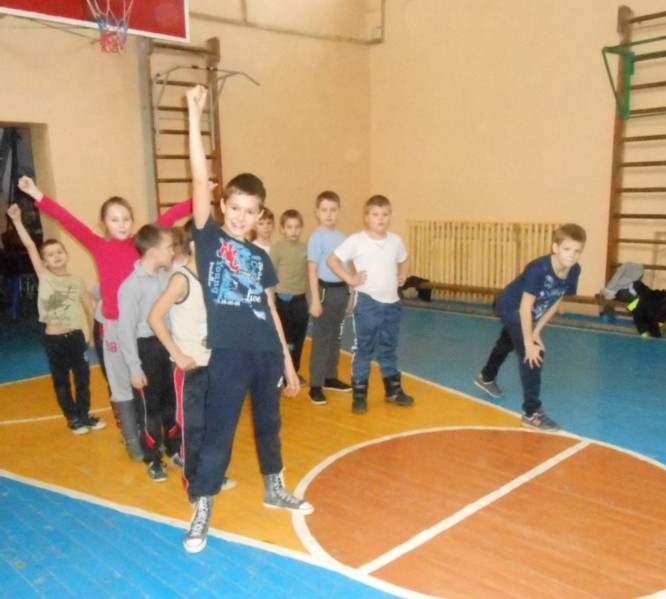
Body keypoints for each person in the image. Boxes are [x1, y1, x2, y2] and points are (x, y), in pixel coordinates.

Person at [184, 84, 313, 554]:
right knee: (219, 432)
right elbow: (199, 178)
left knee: (269, 425)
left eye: (250, 211)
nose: (241, 217)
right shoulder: (209, 240)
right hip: (230, 354)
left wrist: (288, 363)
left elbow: (271, 310)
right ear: (223, 207)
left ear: (261, 215)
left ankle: (275, 488)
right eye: (234, 208)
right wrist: (195, 117)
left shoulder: (260, 257)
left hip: (266, 353)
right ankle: (202, 507)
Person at [17, 176, 191, 461]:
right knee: (121, 385)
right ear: (104, 224)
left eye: (126, 219)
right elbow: (67, 220)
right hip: (112, 328)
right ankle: (132, 437)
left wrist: (200, 198)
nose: (121, 224)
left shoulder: (141, 244)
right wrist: (36, 193)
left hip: (142, 330)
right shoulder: (98, 245)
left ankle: (156, 436)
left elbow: (170, 217)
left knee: (149, 384)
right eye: (114, 219)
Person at [147, 219, 237, 498]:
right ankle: (195, 484)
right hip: (191, 370)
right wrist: (178, 354)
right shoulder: (181, 279)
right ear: (195, 245)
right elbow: (155, 317)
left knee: (214, 426)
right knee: (194, 428)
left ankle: (212, 475)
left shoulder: (218, 279)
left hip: (216, 365)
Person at [474, 223, 587, 432]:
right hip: (511, 306)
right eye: (567, 249)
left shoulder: (574, 271)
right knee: (533, 355)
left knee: (507, 342)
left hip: (531, 312)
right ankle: (531, 412)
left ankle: (486, 377)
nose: (572, 255)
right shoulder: (539, 269)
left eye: (577, 251)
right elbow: (525, 308)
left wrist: (536, 331)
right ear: (555, 247)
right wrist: (530, 343)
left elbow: (556, 300)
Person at [7, 203, 104, 434]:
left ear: (67, 255)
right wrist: (17, 221)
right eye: (50, 255)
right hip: (54, 340)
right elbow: (30, 246)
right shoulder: (45, 277)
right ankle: (73, 418)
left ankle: (84, 414)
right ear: (45, 262)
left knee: (83, 379)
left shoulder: (77, 282)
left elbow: (90, 309)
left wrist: (92, 337)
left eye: (59, 252)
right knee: (62, 381)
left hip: (76, 337)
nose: (56, 256)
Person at [328, 194, 415, 414]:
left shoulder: (395, 240)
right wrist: (350, 279)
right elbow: (333, 260)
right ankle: (359, 394)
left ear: (390, 216)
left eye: (385, 214)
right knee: (364, 348)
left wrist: (404, 274)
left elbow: (405, 259)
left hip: (392, 304)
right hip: (368, 303)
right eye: (376, 214)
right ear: (366, 217)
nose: (381, 218)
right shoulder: (357, 241)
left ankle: (393, 390)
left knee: (389, 347)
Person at [117, 224, 181, 481]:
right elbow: (125, 330)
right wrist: (134, 367)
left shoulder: (168, 277)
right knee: (148, 408)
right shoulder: (131, 286)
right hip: (145, 350)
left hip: (167, 346)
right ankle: (153, 458)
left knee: (171, 402)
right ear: (153, 252)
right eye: (169, 247)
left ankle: (174, 448)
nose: (173, 252)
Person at [306, 191, 352, 404]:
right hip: (324, 292)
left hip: (341, 291)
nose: (329, 214)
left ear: (339, 212)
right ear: (317, 212)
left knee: (336, 337)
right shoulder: (317, 237)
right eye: (324, 210)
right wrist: (315, 300)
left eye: (333, 210)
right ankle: (316, 384)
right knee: (322, 339)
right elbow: (312, 270)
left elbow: (345, 267)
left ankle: (330, 377)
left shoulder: (342, 237)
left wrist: (350, 293)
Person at [271, 209, 309, 386]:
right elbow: (271, 275)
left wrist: (311, 300)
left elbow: (308, 275)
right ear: (282, 229)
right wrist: (271, 299)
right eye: (289, 227)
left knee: (298, 338)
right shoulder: (277, 249)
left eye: (297, 227)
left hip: (300, 299)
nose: (293, 230)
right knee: (284, 338)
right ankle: (281, 372)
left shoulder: (305, 249)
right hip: (282, 299)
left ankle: (295, 371)